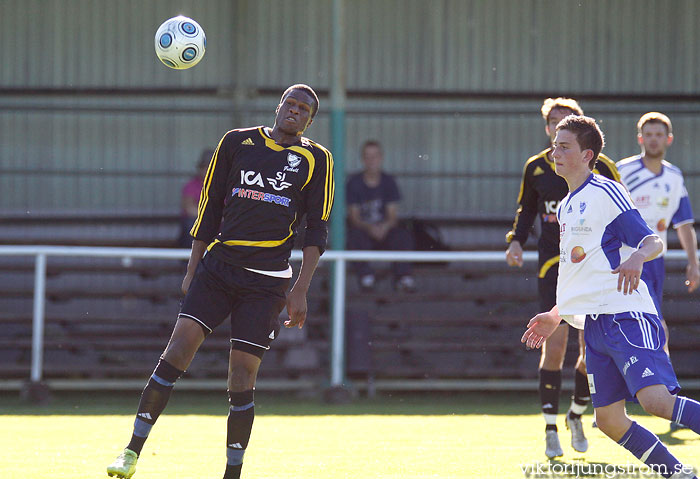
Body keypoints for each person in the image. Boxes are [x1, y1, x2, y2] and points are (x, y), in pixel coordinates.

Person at [107, 84, 334, 479]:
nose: (295, 112)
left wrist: (301, 288)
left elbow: (317, 228)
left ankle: (232, 474)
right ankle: (130, 452)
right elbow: (209, 205)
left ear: (310, 120)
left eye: (304, 109)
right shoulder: (236, 142)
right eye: (290, 104)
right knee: (177, 351)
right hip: (218, 269)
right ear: (278, 107)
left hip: (266, 282)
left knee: (242, 375)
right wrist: (192, 269)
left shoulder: (317, 159)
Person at [522, 115, 699, 479]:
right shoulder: (569, 204)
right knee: (609, 420)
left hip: (626, 314)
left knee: (656, 402)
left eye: (563, 146)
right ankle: (678, 473)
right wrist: (556, 314)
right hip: (595, 324)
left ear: (587, 154)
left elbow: (652, 241)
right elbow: (580, 276)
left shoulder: (605, 190)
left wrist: (637, 256)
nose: (554, 152)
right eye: (555, 144)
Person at [505, 97, 620, 458]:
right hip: (553, 266)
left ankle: (577, 415)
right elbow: (526, 209)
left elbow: (623, 216)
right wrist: (516, 241)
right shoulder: (537, 168)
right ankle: (550, 427)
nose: (558, 138)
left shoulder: (603, 171)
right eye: (553, 126)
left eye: (564, 126)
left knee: (590, 354)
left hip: (593, 269)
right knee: (554, 346)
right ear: (547, 130)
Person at [617, 112, 699, 432]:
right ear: (640, 138)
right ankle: (594, 403)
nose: (653, 139)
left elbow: (684, 223)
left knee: (655, 327)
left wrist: (693, 261)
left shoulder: (674, 177)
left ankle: (667, 399)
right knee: (628, 329)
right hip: (621, 261)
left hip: (654, 264)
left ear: (669, 139)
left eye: (658, 134)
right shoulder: (623, 172)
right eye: (647, 134)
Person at [346, 139, 415, 292]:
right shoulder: (354, 183)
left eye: (375, 156)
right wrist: (369, 227)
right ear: (363, 159)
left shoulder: (388, 181)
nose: (372, 160)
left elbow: (392, 216)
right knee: (354, 236)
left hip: (385, 232)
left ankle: (403, 277)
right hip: (364, 232)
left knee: (403, 235)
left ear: (381, 158)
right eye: (367, 156)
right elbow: (354, 218)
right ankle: (366, 277)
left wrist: (384, 227)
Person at [178, 148, 214, 248]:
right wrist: (211, 218)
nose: (208, 170)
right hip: (199, 224)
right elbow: (189, 209)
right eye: (205, 167)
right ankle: (190, 260)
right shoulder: (191, 185)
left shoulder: (225, 186)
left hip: (218, 227)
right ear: (200, 168)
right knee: (191, 225)